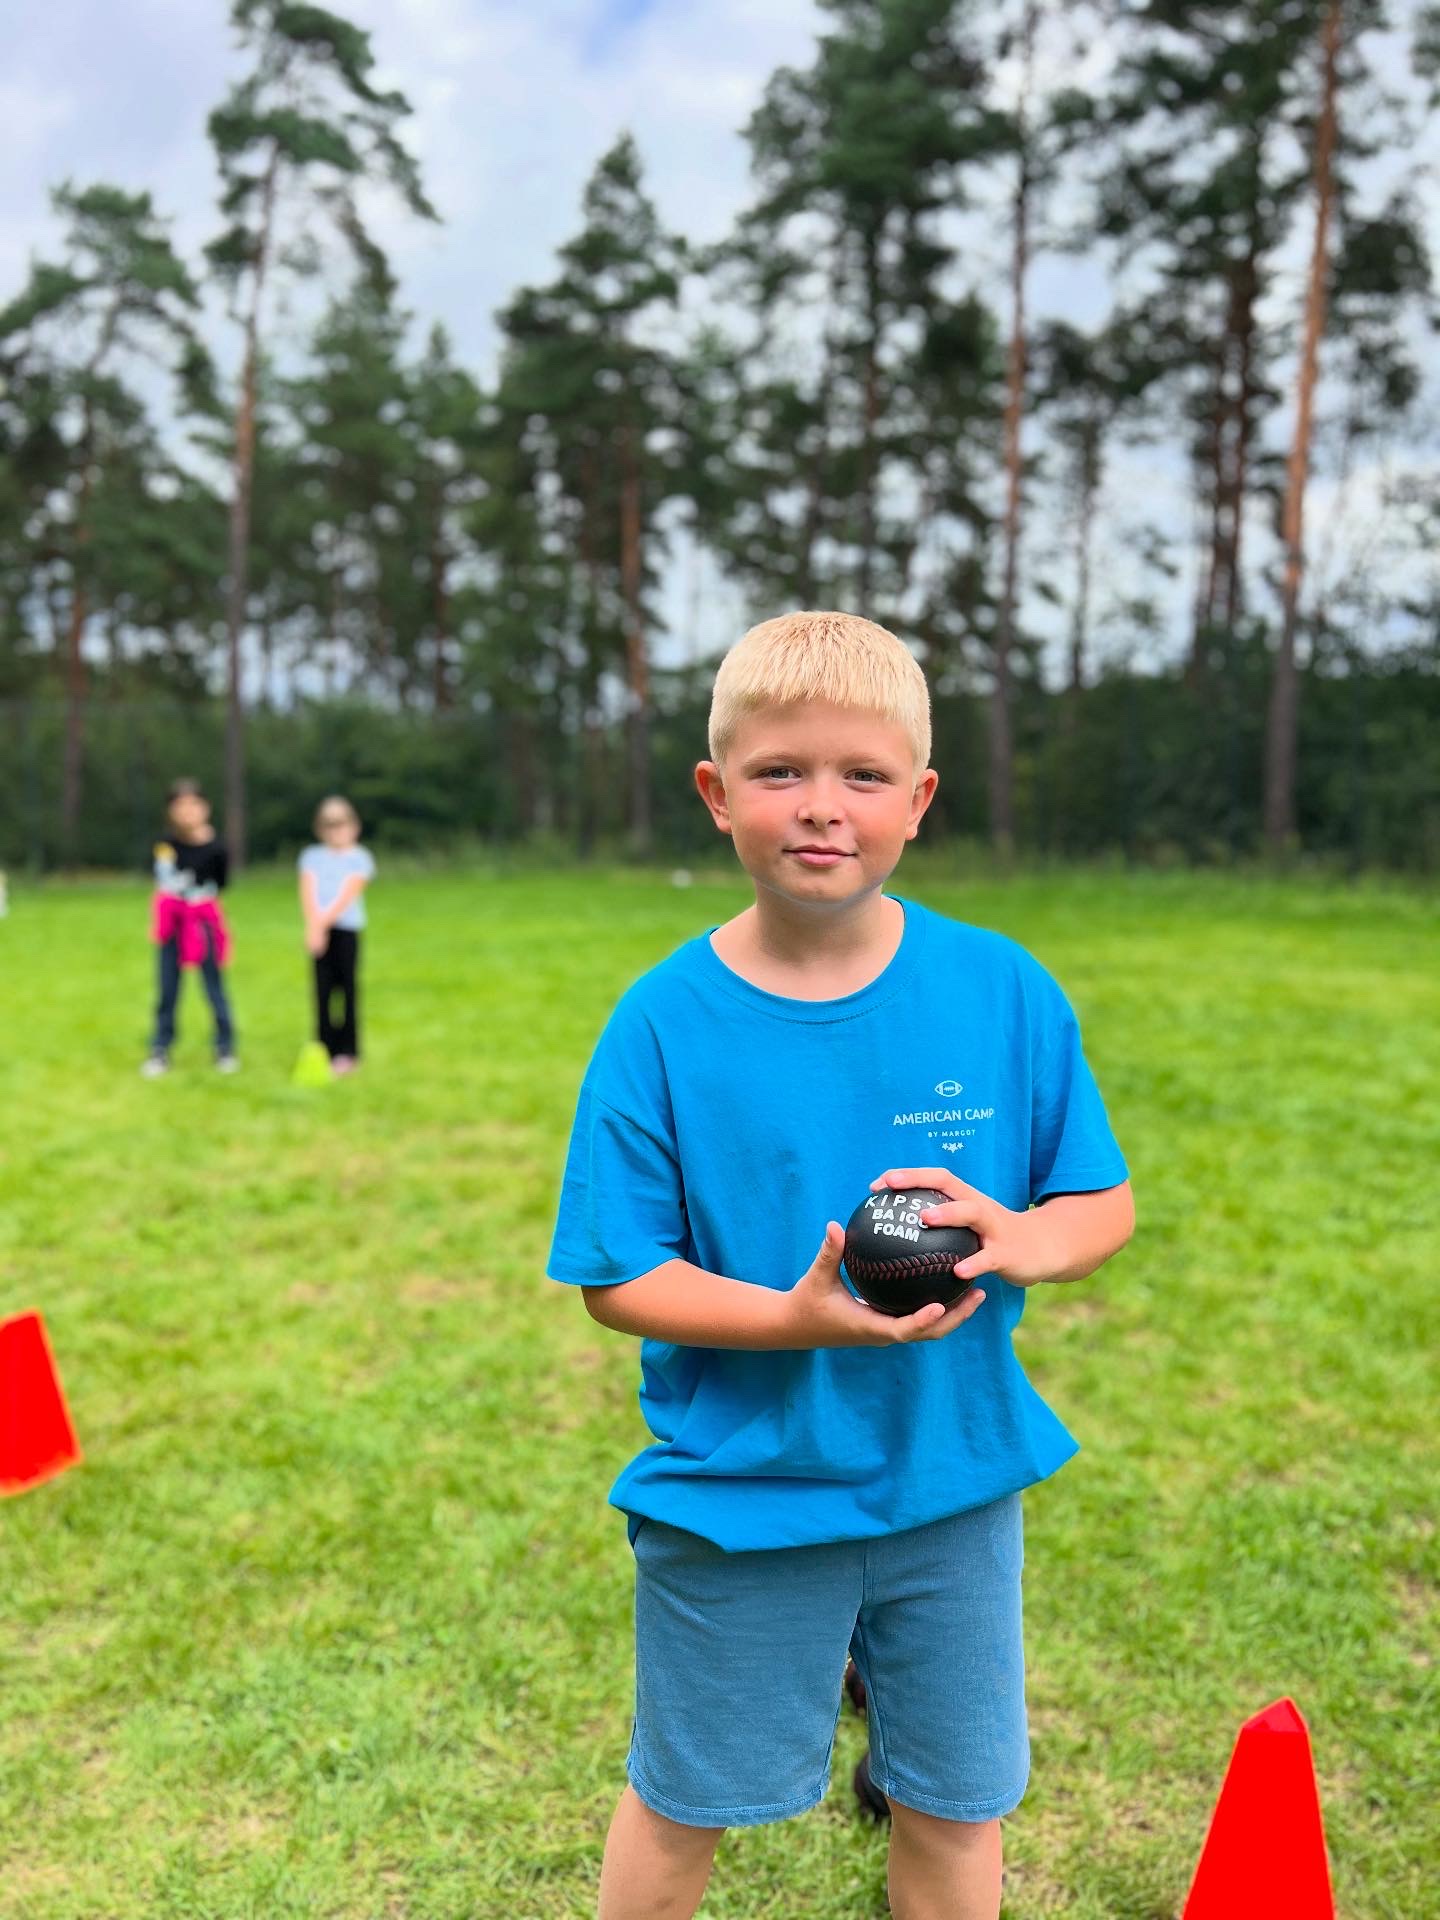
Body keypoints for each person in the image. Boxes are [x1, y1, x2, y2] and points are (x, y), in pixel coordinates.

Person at [547, 611, 1135, 1920]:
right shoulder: (661, 1024)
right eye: (780, 773)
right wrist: (795, 1318)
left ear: (919, 799)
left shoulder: (1002, 991)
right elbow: (617, 1274)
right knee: (685, 1794)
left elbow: (1100, 1195)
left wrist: (1029, 1235)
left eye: (863, 776)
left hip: (953, 1480)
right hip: (745, 1494)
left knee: (955, 1801)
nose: (823, 809)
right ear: (716, 794)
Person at [142, 777, 238, 1077]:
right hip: (172, 925)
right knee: (167, 989)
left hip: (202, 926)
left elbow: (221, 885)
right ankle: (160, 1049)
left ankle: (225, 1047)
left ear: (204, 808)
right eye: (179, 806)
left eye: (192, 805)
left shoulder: (217, 848)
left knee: (214, 988)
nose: (187, 812)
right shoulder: (164, 845)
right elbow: (160, 880)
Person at [298, 796, 375, 1076]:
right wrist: (314, 926)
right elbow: (308, 889)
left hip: (346, 929)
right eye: (329, 825)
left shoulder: (360, 858)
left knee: (348, 989)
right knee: (321, 991)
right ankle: (323, 1047)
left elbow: (348, 894)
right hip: (318, 929)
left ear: (353, 826)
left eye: (341, 824)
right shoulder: (311, 856)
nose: (336, 831)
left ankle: (348, 1050)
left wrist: (322, 923)